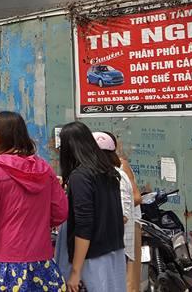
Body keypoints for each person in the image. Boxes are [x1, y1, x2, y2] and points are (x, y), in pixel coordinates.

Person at [0, 112, 67, 292]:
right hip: (42, 260)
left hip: (7, 263)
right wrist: (36, 224)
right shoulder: (43, 167)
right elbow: (61, 211)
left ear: (3, 136)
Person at [57, 122, 125, 292]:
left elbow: (84, 226)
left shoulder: (80, 176)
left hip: (91, 260)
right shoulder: (108, 171)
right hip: (113, 254)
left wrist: (75, 271)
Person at [96, 132, 142, 292]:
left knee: (129, 278)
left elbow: (136, 197)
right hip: (112, 231)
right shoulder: (98, 172)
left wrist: (110, 211)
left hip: (129, 225)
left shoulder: (120, 168)